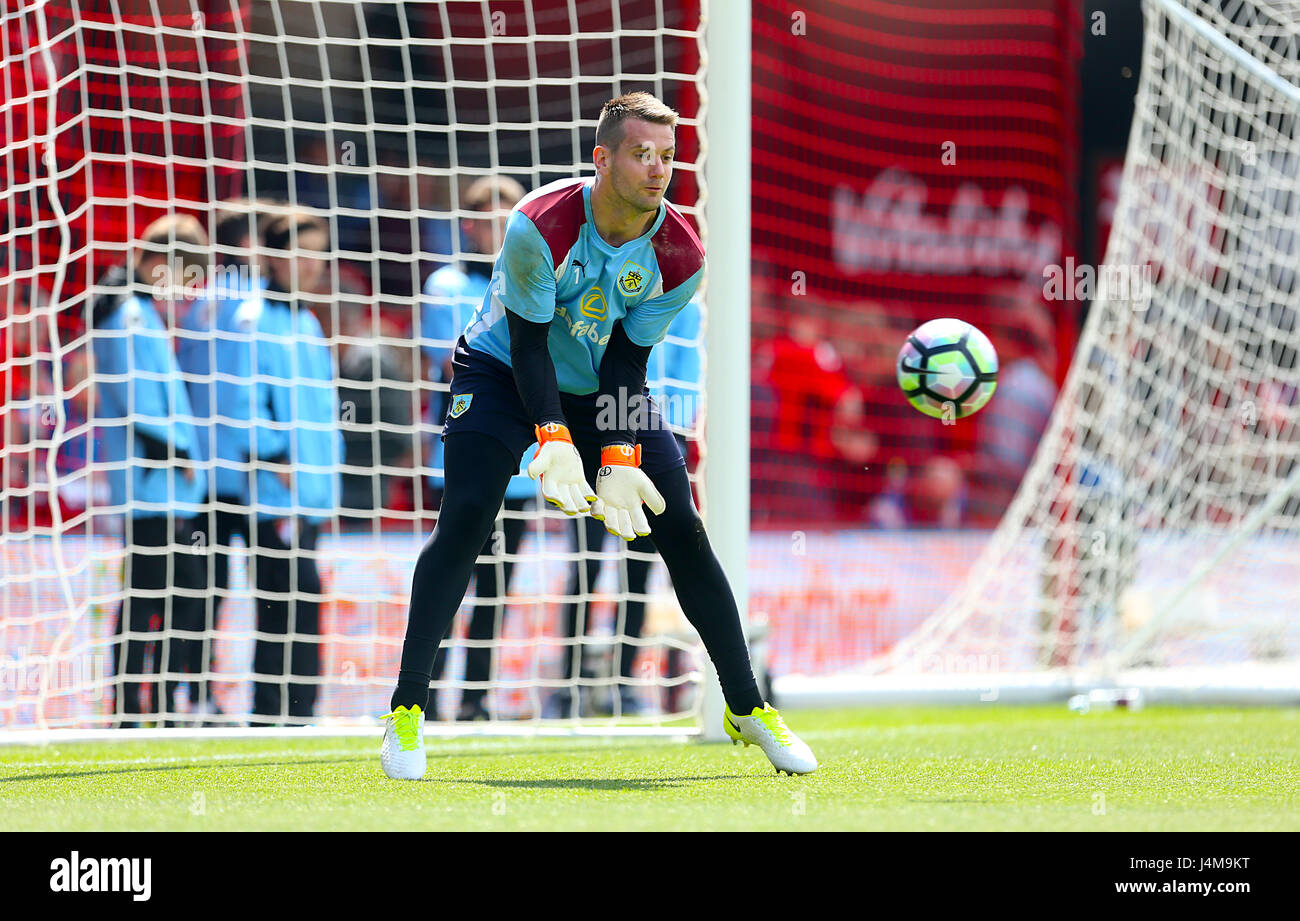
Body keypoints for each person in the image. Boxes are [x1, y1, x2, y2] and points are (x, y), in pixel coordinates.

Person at [381, 92, 818, 779]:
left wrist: (614, 453)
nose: (657, 169)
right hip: (500, 373)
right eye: (642, 154)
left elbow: (625, 361)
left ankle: (746, 706)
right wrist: (550, 437)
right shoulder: (538, 225)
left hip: (602, 386)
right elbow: (527, 346)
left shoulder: (680, 253)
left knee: (683, 531)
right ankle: (407, 710)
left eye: (667, 156)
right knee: (466, 518)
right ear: (602, 159)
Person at [546, 298, 701, 719]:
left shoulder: (687, 307)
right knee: (586, 563)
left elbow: (688, 388)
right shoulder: (620, 288)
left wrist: (663, 431)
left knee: (638, 571)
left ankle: (623, 682)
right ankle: (569, 683)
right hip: (597, 429)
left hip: (652, 436)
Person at [420, 176, 539, 722]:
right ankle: (424, 692)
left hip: (518, 466)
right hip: (463, 459)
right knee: (452, 577)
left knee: (496, 588)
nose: (495, 229)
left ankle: (474, 699)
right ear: (466, 226)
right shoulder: (445, 285)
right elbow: (454, 365)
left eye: (504, 219)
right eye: (484, 218)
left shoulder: (535, 279)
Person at [89, 214, 209, 726]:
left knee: (156, 595)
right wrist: (178, 457)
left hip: (155, 484)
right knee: (165, 595)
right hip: (152, 484)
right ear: (161, 264)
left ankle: (144, 705)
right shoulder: (132, 317)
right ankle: (142, 706)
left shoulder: (134, 313)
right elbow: (139, 404)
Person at [229, 210, 343, 725]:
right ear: (273, 256)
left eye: (318, 253)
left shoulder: (306, 321)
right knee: (278, 606)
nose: (313, 264)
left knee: (305, 603)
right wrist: (277, 461)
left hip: (312, 494)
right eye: (302, 252)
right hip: (273, 492)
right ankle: (269, 713)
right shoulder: (252, 318)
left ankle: (301, 713)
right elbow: (242, 404)